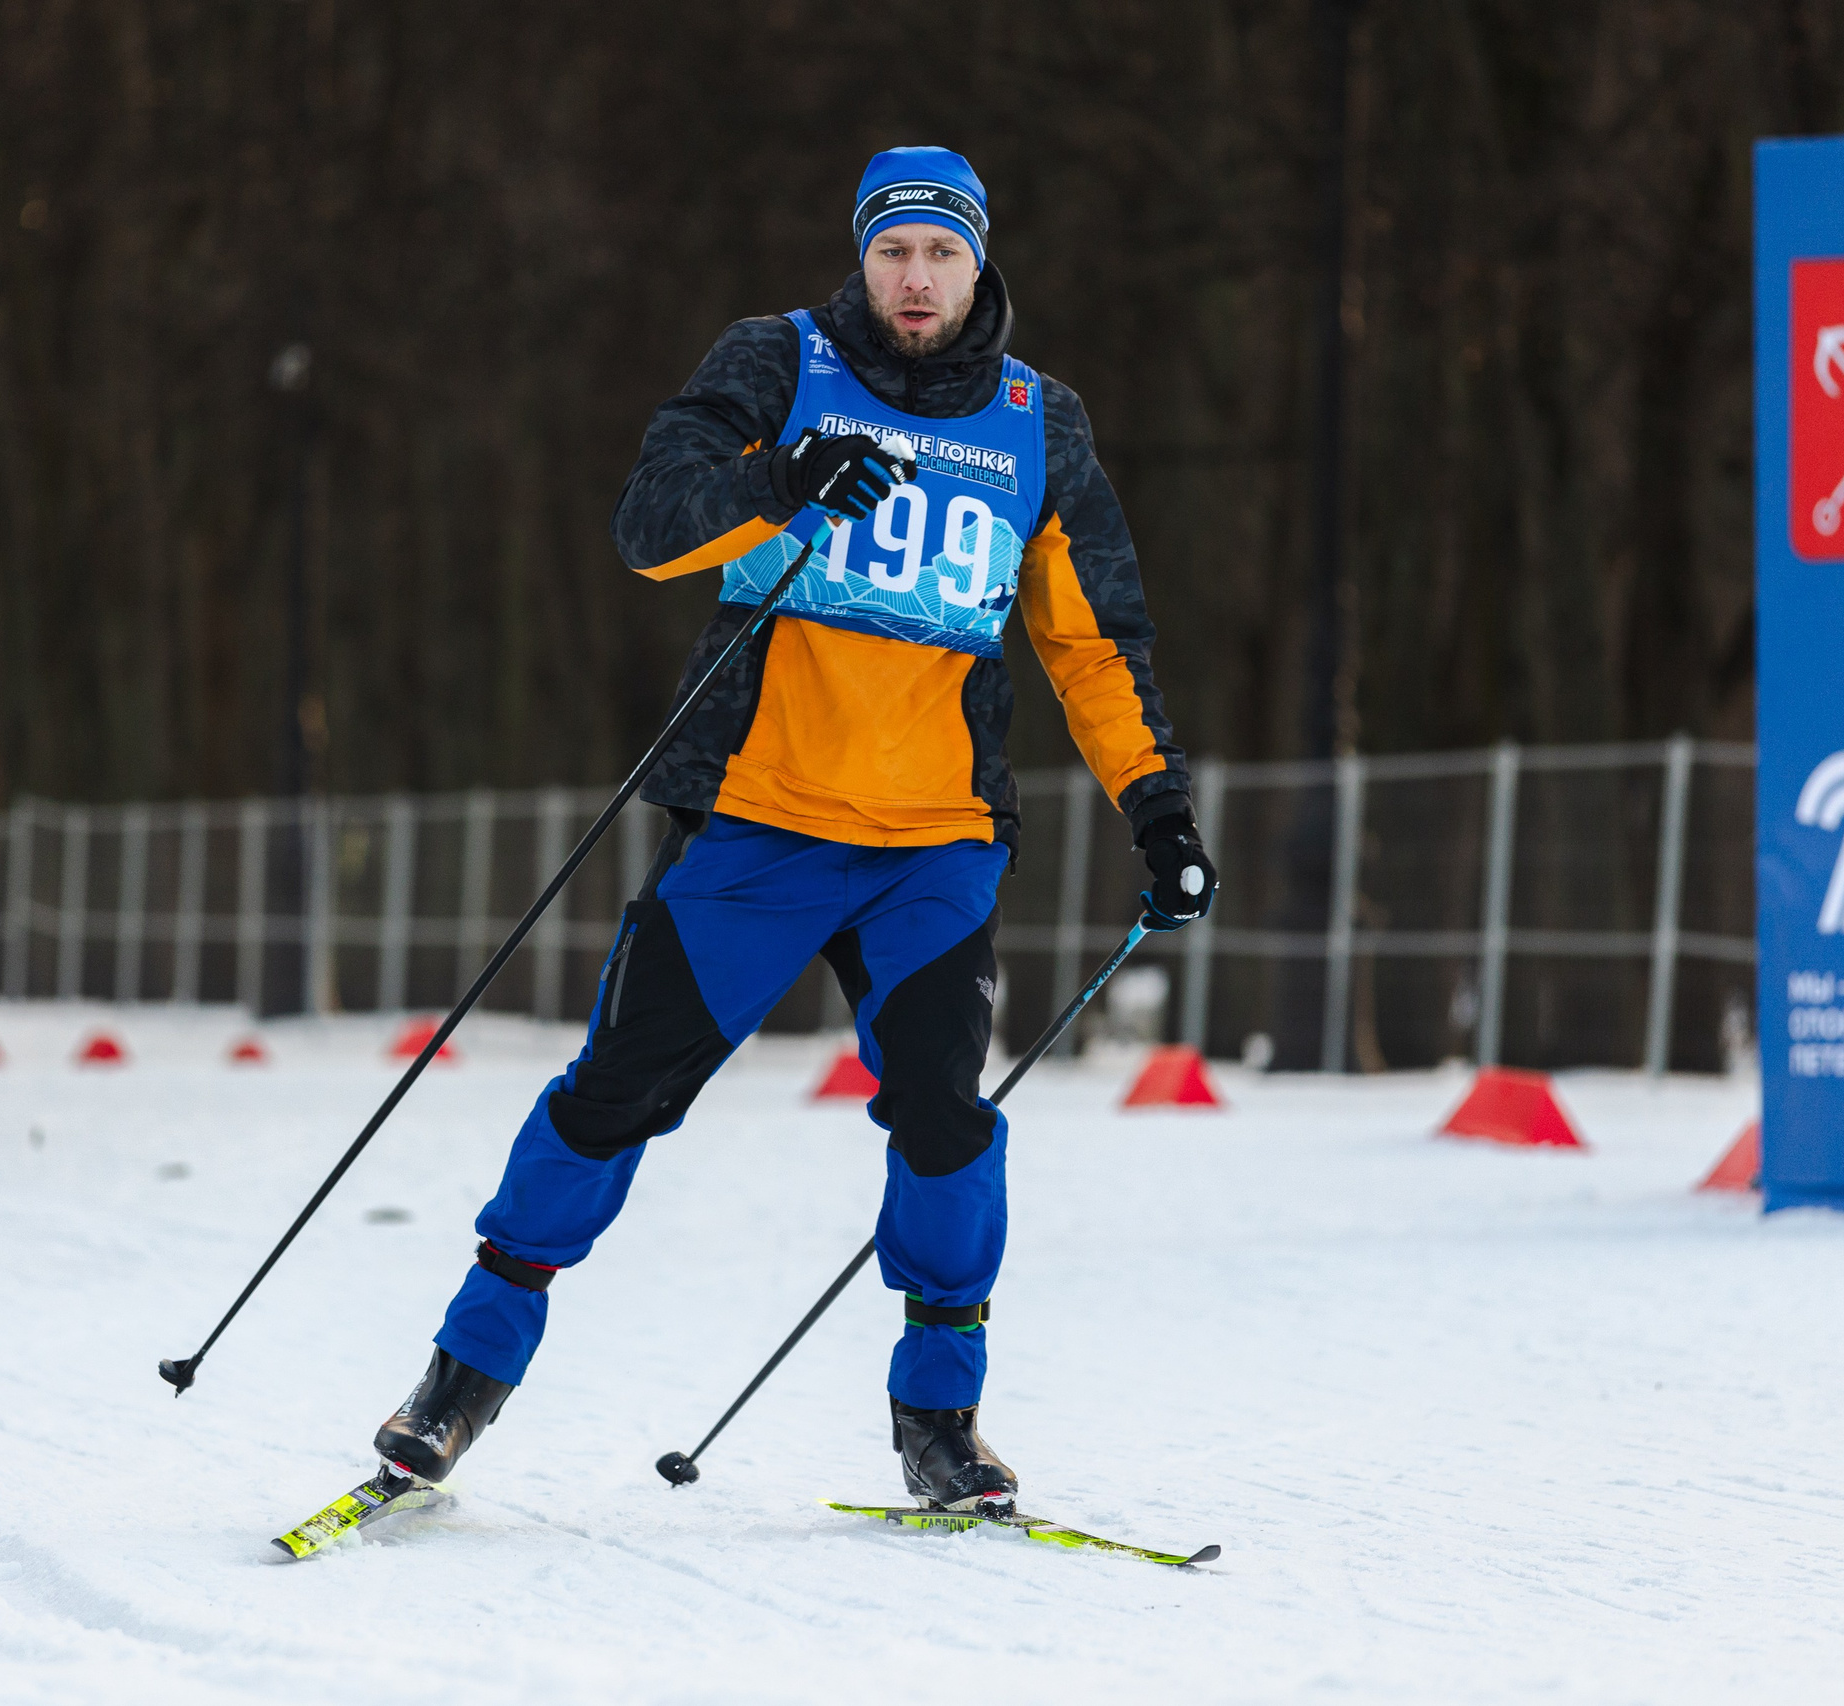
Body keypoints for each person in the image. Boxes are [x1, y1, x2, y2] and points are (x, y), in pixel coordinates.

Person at [372, 146, 1214, 1512]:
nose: (918, 278)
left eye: (942, 252)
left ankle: (941, 1421)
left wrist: (1158, 805)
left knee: (946, 1119)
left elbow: (1093, 640)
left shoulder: (1036, 421)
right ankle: (460, 1381)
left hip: (932, 848)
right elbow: (649, 525)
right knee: (613, 1097)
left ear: (980, 261)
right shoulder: (781, 363)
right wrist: (779, 483)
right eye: (894, 252)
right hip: (759, 830)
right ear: (862, 257)